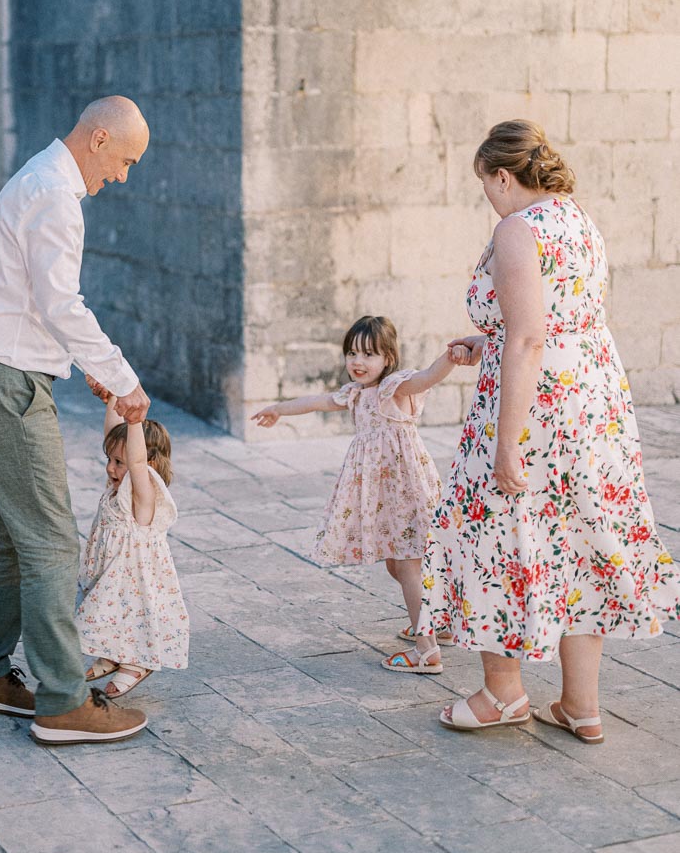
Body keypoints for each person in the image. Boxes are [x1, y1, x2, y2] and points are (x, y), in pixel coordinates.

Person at [420, 120, 680, 742]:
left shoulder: (517, 228)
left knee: (499, 537)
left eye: (486, 184)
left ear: (503, 176)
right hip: (593, 407)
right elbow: (560, 321)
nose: (487, 195)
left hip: (537, 412)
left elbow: (531, 337)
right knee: (579, 540)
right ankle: (580, 705)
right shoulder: (577, 220)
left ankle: (501, 694)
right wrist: (490, 342)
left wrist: (507, 443)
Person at [0, 96, 153, 746]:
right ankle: (64, 701)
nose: (121, 176)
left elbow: (35, 300)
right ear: (97, 139)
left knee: (19, 532)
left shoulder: (43, 181)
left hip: (0, 372)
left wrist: (78, 366)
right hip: (5, 384)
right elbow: (63, 304)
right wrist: (122, 378)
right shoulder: (54, 195)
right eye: (123, 160)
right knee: (52, 543)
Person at [252, 316, 469, 674]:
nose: (358, 361)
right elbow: (317, 401)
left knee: (407, 563)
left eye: (369, 354)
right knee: (396, 564)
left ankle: (426, 649)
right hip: (381, 491)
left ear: (388, 358)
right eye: (352, 352)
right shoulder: (356, 393)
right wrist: (278, 409)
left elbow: (427, 376)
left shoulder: (394, 388)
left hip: (404, 486)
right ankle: (437, 621)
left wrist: (453, 356)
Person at [78, 381, 189, 697]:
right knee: (111, 613)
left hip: (136, 575)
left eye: (118, 463)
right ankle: (114, 653)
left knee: (134, 616)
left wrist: (135, 421)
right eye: (109, 460)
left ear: (148, 465)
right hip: (111, 570)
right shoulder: (118, 483)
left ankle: (137, 662)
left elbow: (136, 461)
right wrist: (115, 399)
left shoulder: (142, 496)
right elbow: (113, 436)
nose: (110, 468)